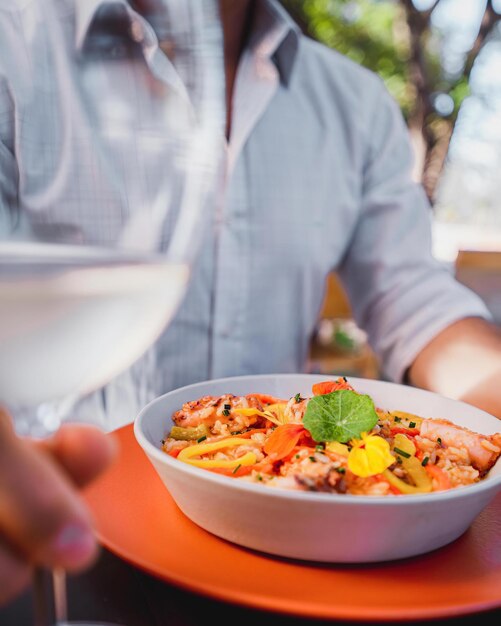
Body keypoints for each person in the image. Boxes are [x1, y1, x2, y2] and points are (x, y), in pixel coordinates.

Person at [1, 0, 500, 607]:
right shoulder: (15, 46)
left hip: (314, 558)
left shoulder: (354, 101)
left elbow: (413, 300)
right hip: (61, 534)